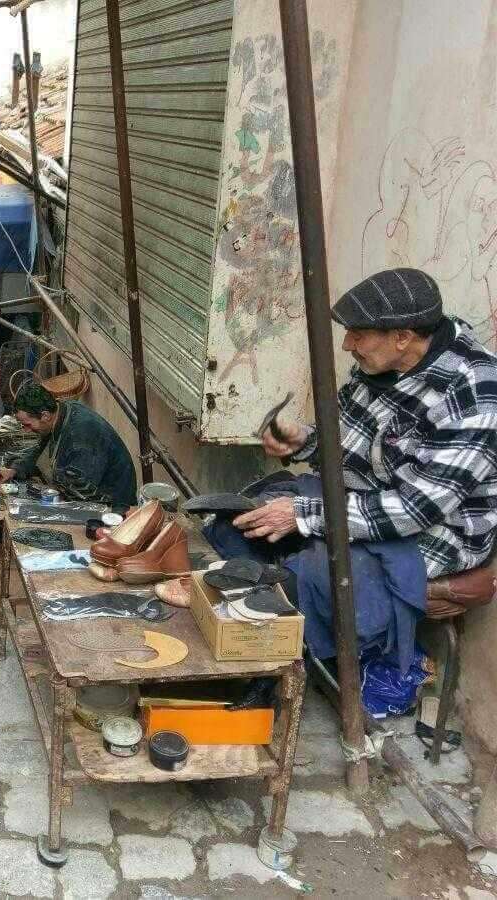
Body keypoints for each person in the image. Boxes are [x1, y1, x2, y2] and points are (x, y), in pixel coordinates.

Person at [213, 268, 497, 672]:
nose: (348, 345)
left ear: (403, 336)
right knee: (237, 523)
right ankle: (262, 630)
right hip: (359, 497)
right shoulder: (384, 362)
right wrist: (305, 441)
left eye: (358, 335)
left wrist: (303, 516)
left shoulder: (474, 396)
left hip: (433, 532)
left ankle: (291, 667)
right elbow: (347, 441)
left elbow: (413, 511)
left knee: (305, 582)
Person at [0, 383, 137, 508]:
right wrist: (14, 469)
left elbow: (80, 493)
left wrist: (37, 499)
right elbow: (39, 450)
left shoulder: (81, 435)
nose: (26, 430)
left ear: (45, 416)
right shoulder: (58, 411)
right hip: (83, 494)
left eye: (27, 425)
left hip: (111, 507)